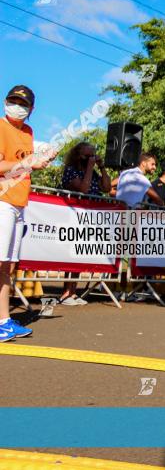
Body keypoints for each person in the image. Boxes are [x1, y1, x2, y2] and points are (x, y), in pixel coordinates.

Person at [0, 85, 58, 341]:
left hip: (19, 202)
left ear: (31, 109)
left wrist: (41, 160)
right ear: (5, 101)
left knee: (8, 266)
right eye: (13, 100)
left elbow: (23, 165)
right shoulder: (1, 127)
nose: (17, 105)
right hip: (3, 200)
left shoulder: (28, 132)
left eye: (23, 103)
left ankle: (3, 321)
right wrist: (27, 163)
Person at [59, 141, 111, 305]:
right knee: (71, 253)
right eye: (88, 155)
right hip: (74, 215)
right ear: (78, 155)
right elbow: (83, 189)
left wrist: (101, 168)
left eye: (93, 156)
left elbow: (107, 188)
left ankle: (74, 292)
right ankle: (66, 292)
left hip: (90, 217)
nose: (91, 159)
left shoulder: (94, 172)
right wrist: (89, 167)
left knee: (79, 253)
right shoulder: (71, 170)